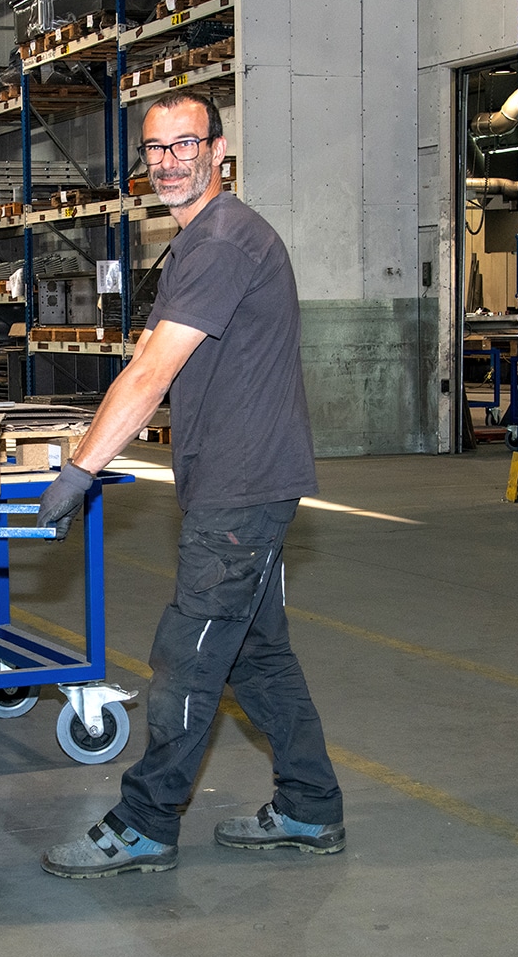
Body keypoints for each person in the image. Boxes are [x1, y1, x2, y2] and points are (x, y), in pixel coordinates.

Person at [36, 91, 343, 879]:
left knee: (187, 655)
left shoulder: (222, 243)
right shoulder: (199, 243)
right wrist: (74, 437)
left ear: (219, 148)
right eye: (156, 149)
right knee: (255, 655)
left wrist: (78, 471)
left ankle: (145, 822)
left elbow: (150, 372)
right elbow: (146, 352)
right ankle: (311, 807)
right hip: (241, 480)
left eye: (185, 144)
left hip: (241, 489)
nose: (170, 161)